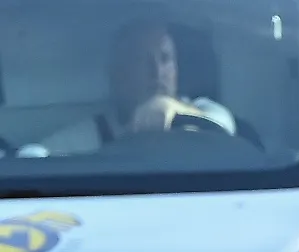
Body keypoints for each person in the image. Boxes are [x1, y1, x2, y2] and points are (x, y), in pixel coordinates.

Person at [38, 18, 236, 156]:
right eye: (142, 59)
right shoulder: (92, 135)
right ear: (117, 73)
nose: (157, 72)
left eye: (165, 59)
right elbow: (36, 157)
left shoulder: (203, 111)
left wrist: (174, 110)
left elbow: (224, 126)